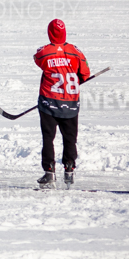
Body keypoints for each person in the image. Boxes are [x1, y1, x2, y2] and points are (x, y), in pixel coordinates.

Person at [33, 19, 90, 185]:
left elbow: (38, 60)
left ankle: (49, 172)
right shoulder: (75, 51)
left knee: (48, 138)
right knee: (70, 138)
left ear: (49, 33)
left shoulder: (45, 51)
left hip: (48, 103)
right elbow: (85, 73)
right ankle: (69, 170)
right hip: (71, 103)